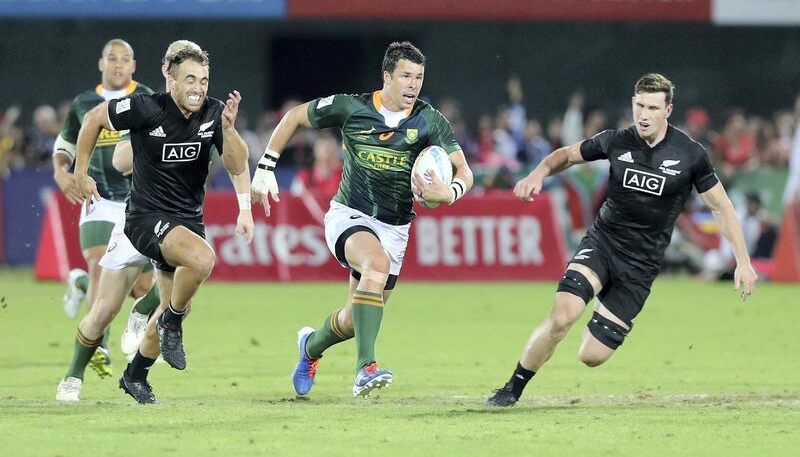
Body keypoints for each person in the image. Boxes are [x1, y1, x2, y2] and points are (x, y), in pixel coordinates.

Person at [485, 73, 758, 408]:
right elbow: (567, 155)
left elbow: (722, 207)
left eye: (653, 108)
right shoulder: (616, 140)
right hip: (603, 243)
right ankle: (511, 388)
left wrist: (743, 262)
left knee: (591, 356)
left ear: (667, 110)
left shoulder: (691, 155)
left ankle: (602, 310)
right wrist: (537, 174)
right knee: (563, 316)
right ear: (633, 104)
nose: (644, 114)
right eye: (640, 105)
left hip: (641, 265)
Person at [251, 41, 474, 399]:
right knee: (376, 264)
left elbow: (464, 170)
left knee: (354, 320)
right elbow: (293, 117)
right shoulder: (351, 107)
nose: (413, 84)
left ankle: (310, 347)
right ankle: (365, 369)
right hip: (349, 215)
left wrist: (450, 192)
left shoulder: (431, 121)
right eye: (405, 76)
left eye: (419, 77)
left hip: (396, 228)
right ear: (386, 76)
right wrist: (265, 166)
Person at [71, 40, 253, 404]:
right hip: (145, 218)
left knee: (177, 307)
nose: (198, 88)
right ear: (168, 77)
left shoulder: (214, 113)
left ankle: (135, 374)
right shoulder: (144, 107)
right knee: (202, 260)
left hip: (187, 221)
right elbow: (93, 119)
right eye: (189, 79)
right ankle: (164, 322)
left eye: (203, 80)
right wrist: (80, 171)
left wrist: (230, 133)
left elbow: (236, 163)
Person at [53, 39, 159, 379]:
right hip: (97, 199)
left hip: (137, 204)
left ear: (133, 66)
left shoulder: (147, 98)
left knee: (141, 289)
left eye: (124, 59)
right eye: (111, 59)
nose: (117, 64)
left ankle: (82, 284)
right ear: (101, 64)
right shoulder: (84, 103)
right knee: (101, 263)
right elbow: (66, 141)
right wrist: (61, 170)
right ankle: (99, 344)